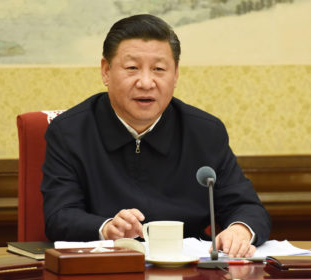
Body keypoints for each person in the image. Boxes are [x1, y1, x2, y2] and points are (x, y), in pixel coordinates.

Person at [41, 14, 270, 258]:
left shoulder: (205, 132)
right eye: (132, 68)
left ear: (176, 74)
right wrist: (106, 228)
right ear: (106, 71)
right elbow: (60, 215)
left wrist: (240, 229)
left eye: (159, 69)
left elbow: (246, 206)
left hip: (189, 268)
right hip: (109, 266)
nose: (146, 82)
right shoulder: (70, 132)